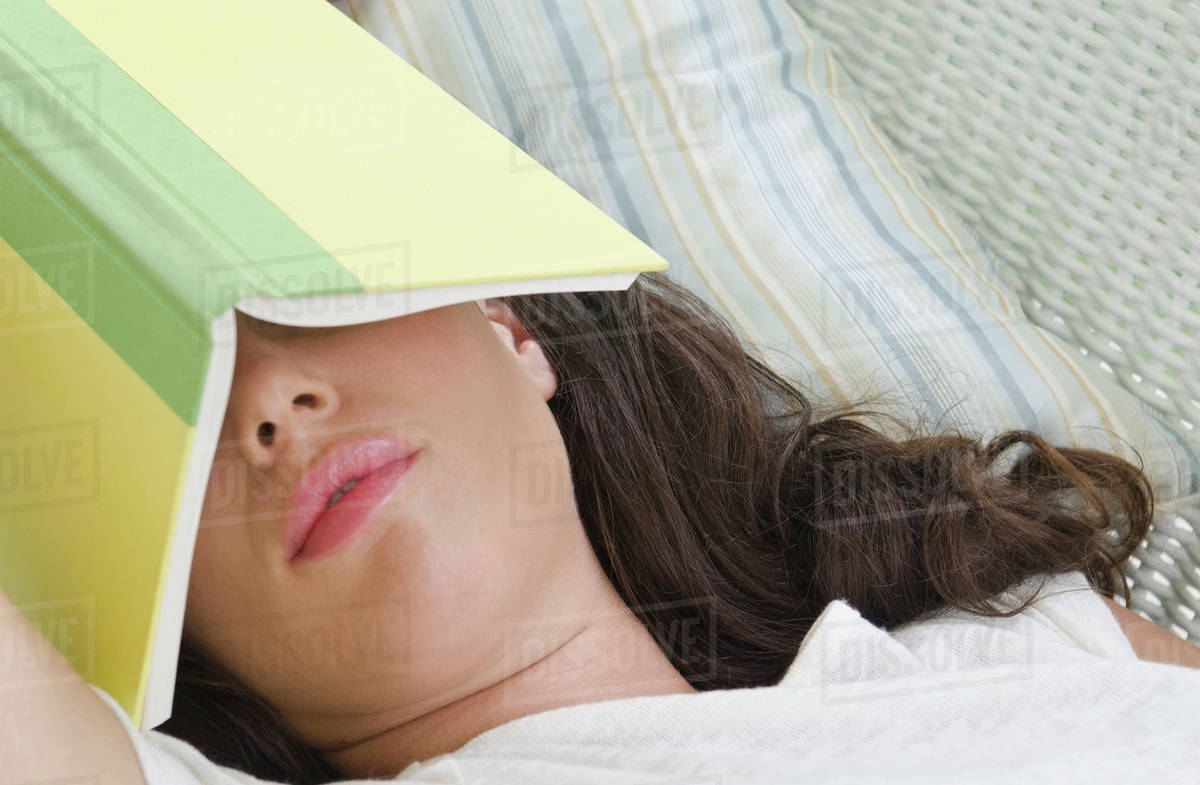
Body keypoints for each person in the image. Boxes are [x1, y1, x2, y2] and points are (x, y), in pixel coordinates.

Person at [5, 273, 1199, 785]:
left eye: (297, 293)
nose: (265, 400)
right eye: (165, 396)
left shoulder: (1026, 646)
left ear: (509, 330)